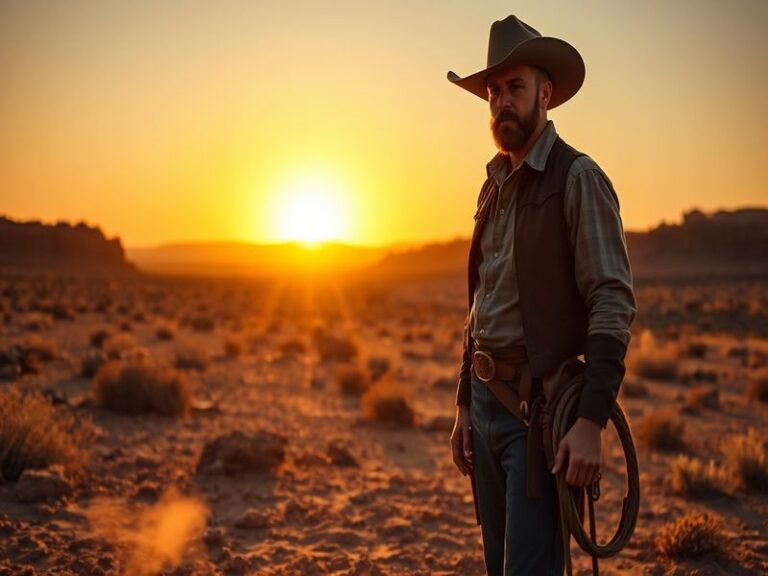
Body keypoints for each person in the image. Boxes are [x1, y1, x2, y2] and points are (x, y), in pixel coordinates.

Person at [447, 15, 636, 576]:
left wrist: (590, 421)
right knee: (498, 565)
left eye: (516, 88)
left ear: (546, 93)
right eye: (493, 92)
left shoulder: (577, 178)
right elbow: (482, 300)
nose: (502, 102)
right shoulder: (493, 184)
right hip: (485, 407)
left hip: (540, 418)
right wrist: (464, 403)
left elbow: (612, 299)